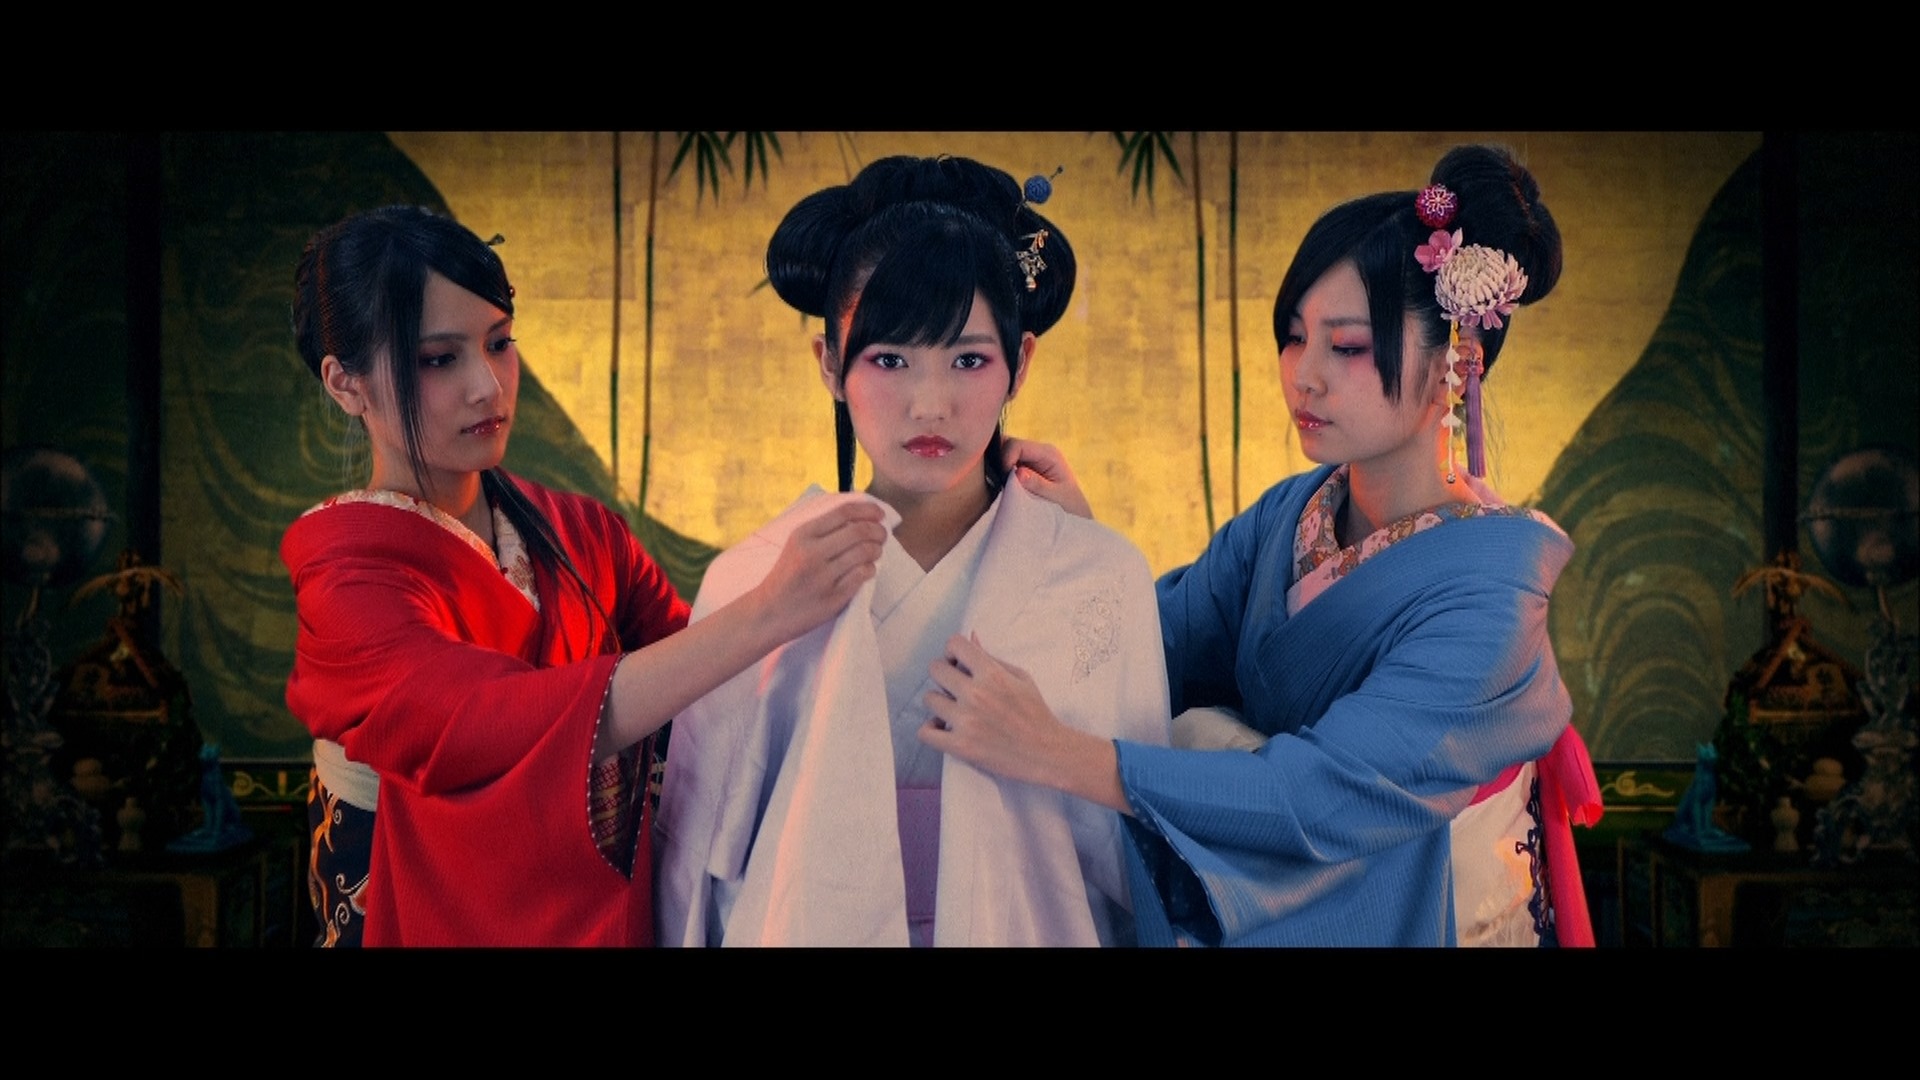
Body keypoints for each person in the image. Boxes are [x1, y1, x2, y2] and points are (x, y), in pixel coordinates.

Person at [923, 144, 1604, 947]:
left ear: (1458, 360)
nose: (1303, 375)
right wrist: (1081, 546)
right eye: (1293, 336)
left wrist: (1059, 754)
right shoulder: (1293, 514)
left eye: (1346, 346)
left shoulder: (1494, 596)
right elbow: (1156, 650)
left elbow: (1323, 796)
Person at [282, 205, 886, 947]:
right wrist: (766, 611)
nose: (487, 385)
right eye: (439, 359)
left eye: (499, 343)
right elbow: (476, 724)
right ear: (346, 384)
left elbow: (713, 685)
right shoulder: (345, 573)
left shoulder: (582, 533)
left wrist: (978, 497)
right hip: (414, 905)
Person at [653, 155, 1171, 947]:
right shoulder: (752, 579)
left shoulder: (1099, 575)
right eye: (889, 360)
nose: (930, 404)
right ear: (830, 366)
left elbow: (1140, 864)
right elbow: (696, 869)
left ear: (1021, 364)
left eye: (968, 359)